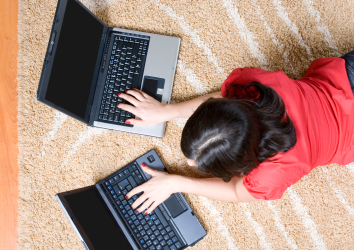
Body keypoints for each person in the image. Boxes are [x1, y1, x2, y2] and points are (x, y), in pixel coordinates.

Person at [116, 51, 354, 215]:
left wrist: (177, 183)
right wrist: (165, 111)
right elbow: (223, 104)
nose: (189, 163)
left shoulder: (273, 174)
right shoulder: (254, 86)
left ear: (242, 165)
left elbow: (237, 191)